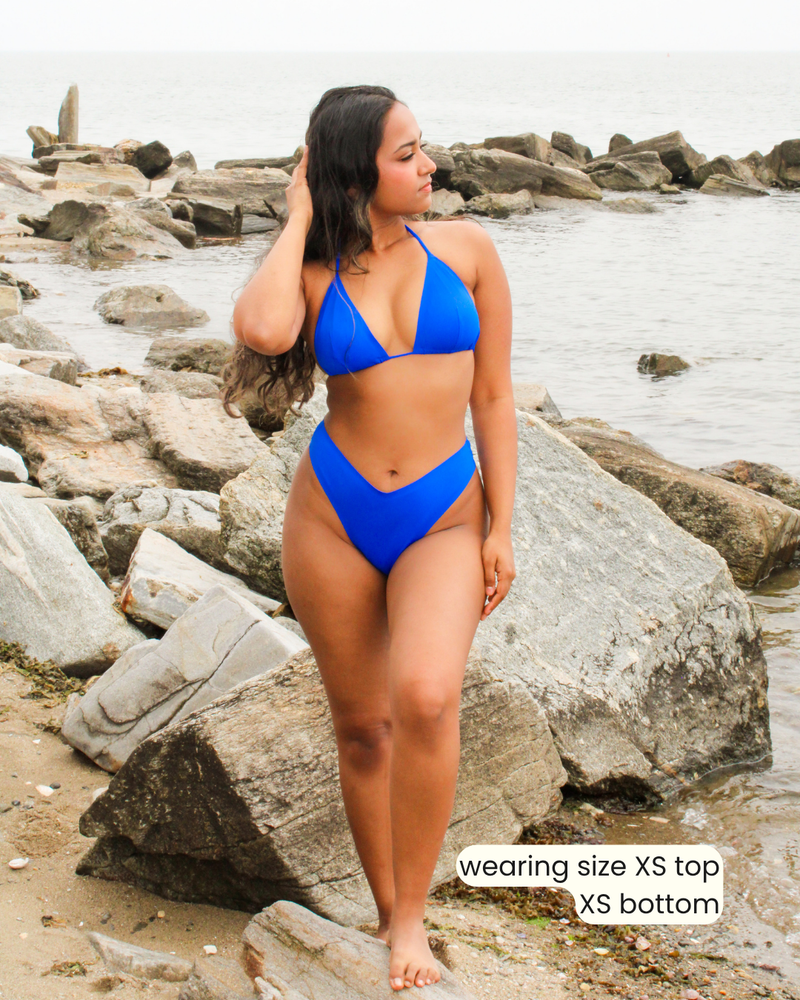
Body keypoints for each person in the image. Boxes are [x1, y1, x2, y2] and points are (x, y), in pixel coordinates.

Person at [226, 84, 517, 991]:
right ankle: (391, 914)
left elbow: (494, 397)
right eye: (406, 154)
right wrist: (300, 211)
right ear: (358, 171)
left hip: (443, 511)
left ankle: (414, 922)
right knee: (362, 729)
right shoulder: (312, 271)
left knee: (426, 698)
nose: (429, 166)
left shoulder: (466, 249)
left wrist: (503, 523)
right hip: (334, 515)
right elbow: (263, 329)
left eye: (425, 147)